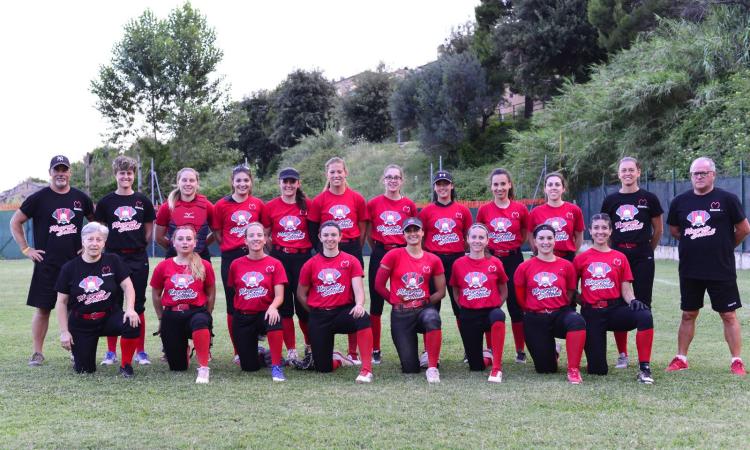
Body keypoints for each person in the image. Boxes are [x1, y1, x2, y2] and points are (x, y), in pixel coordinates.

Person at [666, 157, 750, 375]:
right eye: (696, 173)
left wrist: (725, 245)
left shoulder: (728, 199)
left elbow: (743, 229)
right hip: (690, 269)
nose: (699, 177)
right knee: (688, 313)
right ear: (691, 176)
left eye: (704, 173)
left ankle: (736, 360)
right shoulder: (679, 201)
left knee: (728, 314)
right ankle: (681, 357)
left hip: (720, 268)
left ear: (713, 175)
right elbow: (675, 231)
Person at [10, 155, 94, 366]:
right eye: (57, 169)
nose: (60, 173)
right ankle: (37, 353)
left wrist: (88, 245)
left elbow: (96, 223)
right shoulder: (39, 198)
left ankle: (76, 351)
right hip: (47, 264)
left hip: (75, 264)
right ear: (50, 172)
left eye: (64, 169)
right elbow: (15, 221)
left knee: (75, 309)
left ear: (69, 173)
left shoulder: (80, 198)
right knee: (43, 308)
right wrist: (26, 248)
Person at [574, 214, 655, 384]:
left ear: (610, 231)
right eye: (596, 228)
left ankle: (645, 368)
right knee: (598, 370)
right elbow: (572, 289)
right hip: (592, 314)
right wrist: (585, 302)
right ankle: (594, 359)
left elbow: (626, 289)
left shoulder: (620, 257)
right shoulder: (581, 258)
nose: (600, 231)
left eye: (604, 228)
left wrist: (633, 300)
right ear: (590, 231)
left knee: (645, 315)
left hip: (615, 310)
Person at [600, 156, 663, 369]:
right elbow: (605, 230)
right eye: (623, 170)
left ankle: (643, 357)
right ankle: (623, 354)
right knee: (619, 303)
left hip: (643, 255)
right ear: (618, 174)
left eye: (631, 170)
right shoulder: (610, 200)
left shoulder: (649, 198)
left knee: (643, 304)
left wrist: (647, 250)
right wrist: (613, 252)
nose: (627, 173)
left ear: (638, 172)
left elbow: (658, 229)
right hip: (618, 256)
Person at [54, 222, 141, 377]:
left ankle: (126, 365)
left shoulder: (113, 260)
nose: (94, 243)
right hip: (82, 322)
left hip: (108, 316)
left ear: (104, 243)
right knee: (84, 370)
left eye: (99, 240)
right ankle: (79, 355)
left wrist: (130, 308)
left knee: (131, 322)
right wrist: (64, 332)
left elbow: (128, 286)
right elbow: (61, 302)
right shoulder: (69, 268)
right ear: (83, 241)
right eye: (90, 239)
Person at [94, 155, 156, 366]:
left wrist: (137, 244)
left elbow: (148, 230)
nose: (126, 176)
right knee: (112, 302)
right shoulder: (106, 202)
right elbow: (99, 230)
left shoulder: (142, 201)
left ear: (133, 175)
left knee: (137, 304)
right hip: (112, 257)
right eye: (122, 173)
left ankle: (140, 351)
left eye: (129, 173)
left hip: (137, 256)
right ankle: (111, 352)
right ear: (116, 175)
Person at [297, 221, 374, 383]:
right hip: (320, 316)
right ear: (320, 237)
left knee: (363, 317)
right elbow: (301, 294)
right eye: (326, 235)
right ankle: (338, 359)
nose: (329, 238)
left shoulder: (351, 261)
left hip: (342, 313)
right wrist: (315, 312)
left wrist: (359, 305)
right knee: (323, 369)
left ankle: (366, 370)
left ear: (340, 237)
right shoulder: (310, 264)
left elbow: (359, 291)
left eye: (333, 235)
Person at [308, 157, 369, 364]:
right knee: (329, 290)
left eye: (339, 171)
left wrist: (353, 249)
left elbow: (362, 228)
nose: (336, 175)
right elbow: (313, 230)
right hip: (327, 249)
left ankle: (353, 353)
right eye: (332, 172)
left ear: (346, 173)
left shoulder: (357, 198)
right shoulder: (319, 200)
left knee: (352, 298)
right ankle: (327, 348)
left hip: (350, 246)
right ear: (327, 175)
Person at [375, 217, 445, 383]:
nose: (413, 234)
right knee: (410, 369)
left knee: (432, 317)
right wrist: (395, 301)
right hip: (401, 314)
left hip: (422, 310)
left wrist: (424, 302)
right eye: (409, 231)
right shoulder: (393, 255)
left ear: (422, 232)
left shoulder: (433, 259)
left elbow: (441, 291)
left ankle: (432, 367)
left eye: (416, 230)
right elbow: (378, 285)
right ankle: (414, 358)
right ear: (403, 234)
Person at [514, 224, 586, 384]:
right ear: (534, 241)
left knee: (577, 321)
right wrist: (535, 310)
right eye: (541, 238)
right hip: (535, 317)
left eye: (549, 238)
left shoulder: (566, 265)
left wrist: (557, 306)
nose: (545, 242)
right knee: (546, 369)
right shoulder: (524, 267)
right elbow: (520, 296)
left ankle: (573, 369)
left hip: (560, 313)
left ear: (555, 240)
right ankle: (552, 351)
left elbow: (570, 292)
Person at [476, 168, 530, 364]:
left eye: (502, 184)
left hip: (514, 259)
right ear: (491, 187)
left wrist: (512, 246)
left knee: (516, 305)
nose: (499, 188)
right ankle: (489, 349)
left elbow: (524, 233)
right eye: (495, 184)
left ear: (509, 185)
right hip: (491, 260)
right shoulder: (484, 210)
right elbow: (480, 234)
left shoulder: (520, 208)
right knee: (490, 302)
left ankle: (520, 350)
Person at [212, 165, 265, 364]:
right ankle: (238, 350)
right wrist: (231, 245)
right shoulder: (221, 205)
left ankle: (258, 336)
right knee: (233, 303)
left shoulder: (258, 204)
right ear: (232, 182)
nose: (242, 184)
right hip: (232, 257)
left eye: (246, 180)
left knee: (258, 296)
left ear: (251, 182)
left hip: (255, 257)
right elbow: (218, 233)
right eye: (238, 180)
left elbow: (263, 231)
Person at [150, 225, 216, 383]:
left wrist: (207, 315)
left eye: (189, 239)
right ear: (173, 242)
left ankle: (203, 368)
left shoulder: (204, 265)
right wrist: (161, 318)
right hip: (172, 314)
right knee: (177, 367)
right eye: (180, 239)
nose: (185, 242)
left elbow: (211, 292)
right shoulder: (163, 266)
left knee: (200, 322)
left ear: (195, 242)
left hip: (195, 311)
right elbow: (156, 294)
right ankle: (183, 350)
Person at [365, 164, 417, 365]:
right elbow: (369, 232)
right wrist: (380, 247)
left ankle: (409, 344)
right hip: (380, 251)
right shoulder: (374, 203)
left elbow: (413, 232)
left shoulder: (409, 205)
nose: (393, 180)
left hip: (403, 252)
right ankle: (375, 348)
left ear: (402, 180)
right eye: (389, 177)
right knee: (376, 301)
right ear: (383, 179)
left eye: (396, 177)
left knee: (409, 294)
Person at [262, 167, 314, 366]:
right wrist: (275, 252)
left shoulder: (307, 205)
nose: (289, 185)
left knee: (303, 305)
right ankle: (291, 350)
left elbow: (314, 231)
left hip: (302, 259)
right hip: (281, 258)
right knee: (284, 308)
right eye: (285, 182)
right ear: (280, 183)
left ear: (298, 184)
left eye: (292, 182)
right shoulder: (271, 206)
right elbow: (266, 234)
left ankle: (310, 346)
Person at [227, 222, 288, 381]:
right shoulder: (235, 264)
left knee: (275, 319)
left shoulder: (275, 264)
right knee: (249, 367)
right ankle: (261, 354)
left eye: (260, 235)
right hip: (243, 317)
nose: (256, 238)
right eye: (251, 235)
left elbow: (279, 295)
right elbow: (236, 290)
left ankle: (276, 365)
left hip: (264, 313)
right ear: (245, 240)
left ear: (266, 239)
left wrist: (273, 307)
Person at [449, 223, 508, 383]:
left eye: (481, 237)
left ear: (487, 241)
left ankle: (496, 367)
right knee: (476, 367)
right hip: (469, 314)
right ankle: (486, 356)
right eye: (473, 237)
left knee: (498, 315)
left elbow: (504, 290)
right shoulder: (458, 263)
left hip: (490, 312)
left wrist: (495, 305)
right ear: (467, 239)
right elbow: (455, 290)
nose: (477, 240)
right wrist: (465, 307)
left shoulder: (495, 262)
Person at [418, 170, 472, 337]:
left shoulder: (462, 210)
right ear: (434, 188)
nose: (442, 187)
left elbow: (468, 237)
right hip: (434, 260)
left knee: (461, 306)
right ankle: (430, 352)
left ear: (452, 186)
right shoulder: (426, 212)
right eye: (439, 184)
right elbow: (421, 238)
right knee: (432, 306)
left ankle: (469, 348)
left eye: (445, 184)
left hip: (457, 260)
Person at [155, 167, 215, 261]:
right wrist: (175, 247)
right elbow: (159, 237)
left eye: (191, 180)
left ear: (197, 183)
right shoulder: (167, 207)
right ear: (178, 182)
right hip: (174, 256)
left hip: (200, 257)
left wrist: (200, 245)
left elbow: (216, 232)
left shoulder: (207, 205)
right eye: (184, 180)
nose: (188, 183)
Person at [528, 172, 584, 262]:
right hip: (544, 257)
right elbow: (530, 235)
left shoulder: (574, 210)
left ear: (563, 188)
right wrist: (536, 251)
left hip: (567, 258)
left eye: (557, 184)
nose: (553, 187)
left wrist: (572, 252)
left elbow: (579, 236)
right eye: (550, 185)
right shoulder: (535, 212)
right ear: (545, 189)